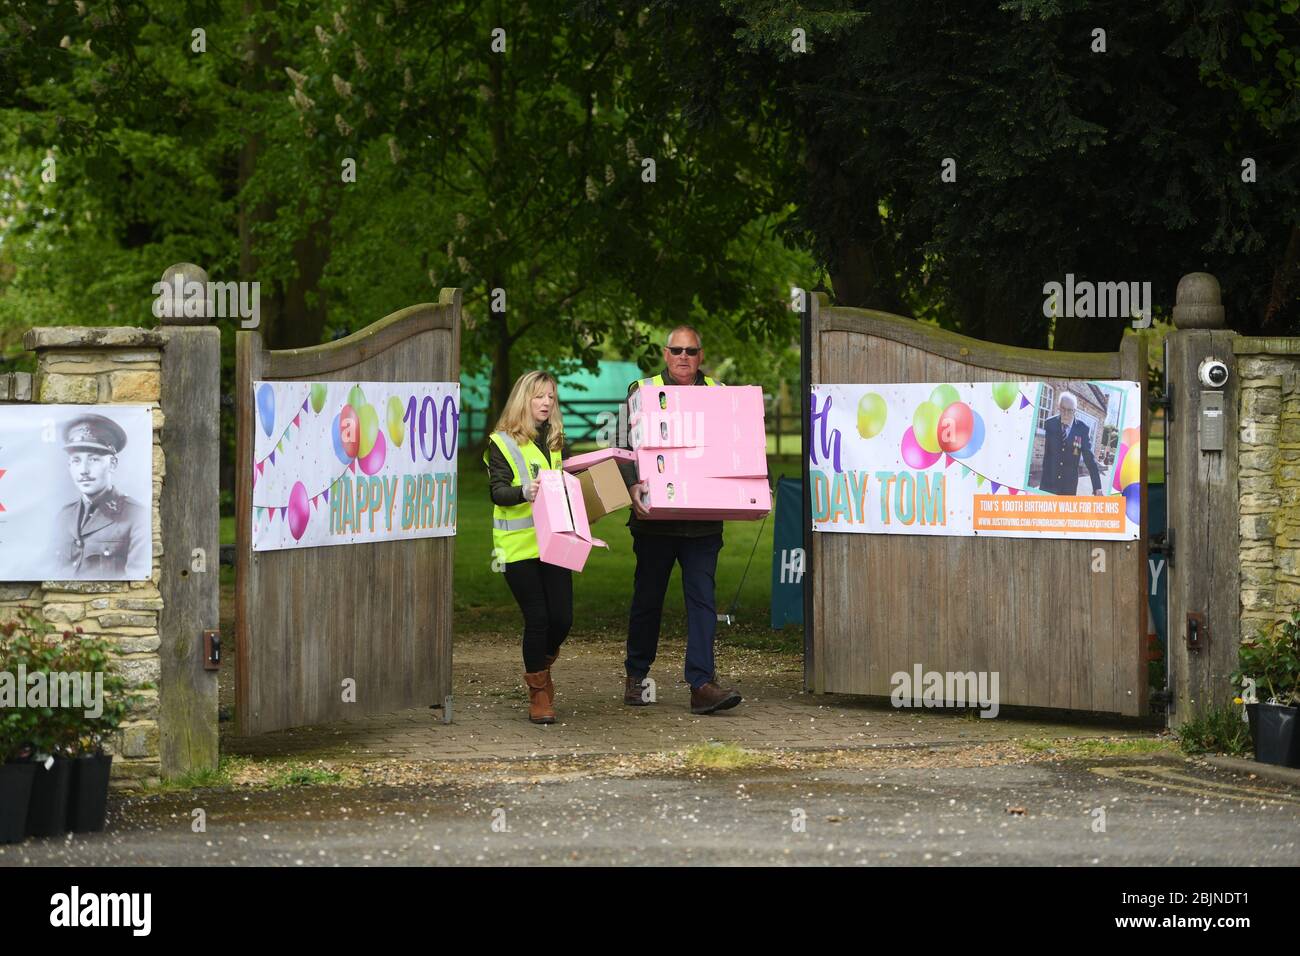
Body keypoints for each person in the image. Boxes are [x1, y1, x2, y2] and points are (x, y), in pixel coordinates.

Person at [616, 325, 742, 715]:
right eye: (677, 350)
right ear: (666, 354)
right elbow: (623, 446)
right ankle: (637, 677)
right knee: (648, 599)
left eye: (691, 351)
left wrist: (748, 484)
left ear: (700, 355)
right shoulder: (642, 390)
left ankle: (702, 684)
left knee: (702, 602)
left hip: (702, 524)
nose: (684, 357)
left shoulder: (720, 395)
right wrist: (632, 485)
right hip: (654, 520)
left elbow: (737, 446)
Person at [483, 371, 572, 724]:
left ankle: (543, 666)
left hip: (555, 542)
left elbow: (569, 483)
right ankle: (538, 692)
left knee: (562, 618)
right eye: (539, 397)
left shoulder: (556, 439)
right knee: (537, 617)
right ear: (524, 399)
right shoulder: (501, 442)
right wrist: (525, 492)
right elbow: (497, 492)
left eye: (551, 396)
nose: (547, 403)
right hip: (516, 547)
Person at [53, 414, 149, 580]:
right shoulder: (64, 516)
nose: (83, 470)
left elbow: (137, 579)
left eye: (94, 459)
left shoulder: (137, 516)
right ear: (69, 466)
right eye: (76, 460)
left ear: (112, 464)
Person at [1038, 391, 1103, 496]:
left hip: (1068, 487)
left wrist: (1097, 487)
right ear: (1059, 407)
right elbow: (1047, 454)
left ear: (1075, 411)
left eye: (1070, 410)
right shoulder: (1050, 423)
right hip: (1048, 483)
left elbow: (1089, 459)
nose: (1066, 414)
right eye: (1063, 409)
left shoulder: (1083, 429)